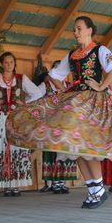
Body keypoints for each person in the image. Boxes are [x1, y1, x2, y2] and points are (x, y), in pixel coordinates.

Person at [6, 16, 112, 209]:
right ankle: (94, 190)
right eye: (74, 29)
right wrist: (63, 90)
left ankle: (99, 189)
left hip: (94, 103)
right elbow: (53, 75)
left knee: (89, 148)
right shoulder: (72, 55)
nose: (75, 32)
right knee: (74, 146)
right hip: (77, 101)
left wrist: (102, 85)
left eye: (79, 29)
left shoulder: (99, 50)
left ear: (89, 30)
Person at [0, 52, 43, 196]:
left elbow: (37, 93)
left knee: (16, 146)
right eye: (6, 62)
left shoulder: (21, 78)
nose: (9, 65)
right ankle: (5, 184)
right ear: (1, 63)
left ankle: (15, 184)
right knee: (1, 146)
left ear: (14, 63)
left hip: (16, 118)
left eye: (11, 62)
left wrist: (24, 104)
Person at [36, 65, 78, 194]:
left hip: (65, 125)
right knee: (51, 152)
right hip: (50, 124)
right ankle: (53, 181)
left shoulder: (70, 86)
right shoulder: (46, 86)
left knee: (64, 152)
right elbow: (35, 97)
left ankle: (62, 181)